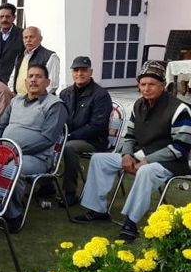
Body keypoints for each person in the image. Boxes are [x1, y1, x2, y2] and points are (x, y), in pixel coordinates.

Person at [74, 61, 191, 242]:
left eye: (151, 84)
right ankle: (98, 210)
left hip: (172, 162)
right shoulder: (138, 105)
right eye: (143, 84)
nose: (146, 88)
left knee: (145, 170)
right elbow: (129, 136)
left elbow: (181, 147)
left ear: (163, 86)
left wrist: (148, 160)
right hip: (140, 155)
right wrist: (126, 155)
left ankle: (131, 221)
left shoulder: (179, 109)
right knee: (99, 159)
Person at [0, 64, 68, 232]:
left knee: (11, 169)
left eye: (39, 76)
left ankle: (12, 216)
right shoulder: (15, 101)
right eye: (30, 76)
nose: (33, 79)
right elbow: (0, 126)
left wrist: (15, 152)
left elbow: (48, 138)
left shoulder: (55, 105)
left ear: (47, 81)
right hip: (6, 151)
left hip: (36, 157)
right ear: (25, 81)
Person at [58, 56, 113, 207]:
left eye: (84, 70)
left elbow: (97, 126)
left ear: (91, 72)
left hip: (94, 141)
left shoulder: (101, 95)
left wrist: (69, 136)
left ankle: (70, 193)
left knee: (69, 147)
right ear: (72, 72)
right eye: (76, 70)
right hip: (69, 136)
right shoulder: (65, 93)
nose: (79, 73)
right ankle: (47, 185)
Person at [9, 26, 61, 96]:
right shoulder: (20, 57)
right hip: (19, 100)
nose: (28, 40)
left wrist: (35, 98)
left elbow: (52, 84)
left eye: (32, 37)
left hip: (41, 102)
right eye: (25, 37)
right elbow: (13, 78)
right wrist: (12, 92)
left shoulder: (50, 56)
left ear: (40, 39)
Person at [0, 3, 25, 85]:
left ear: (14, 18)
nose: (4, 19)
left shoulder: (23, 35)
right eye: (1, 17)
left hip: (14, 83)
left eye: (7, 17)